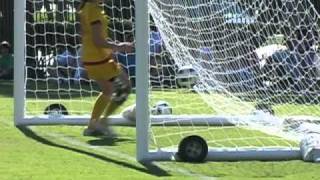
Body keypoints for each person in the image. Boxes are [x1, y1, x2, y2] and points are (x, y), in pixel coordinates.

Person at [78, 0, 133, 137]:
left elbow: (94, 37)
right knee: (124, 87)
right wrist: (120, 46)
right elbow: (98, 41)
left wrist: (111, 48)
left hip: (94, 57)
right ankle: (101, 122)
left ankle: (94, 124)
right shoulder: (94, 11)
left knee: (109, 90)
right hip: (99, 58)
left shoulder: (88, 8)